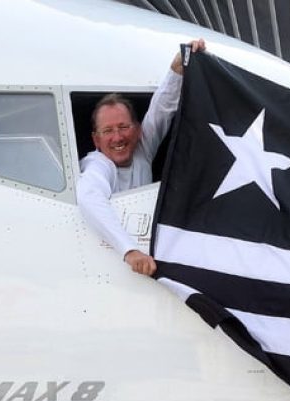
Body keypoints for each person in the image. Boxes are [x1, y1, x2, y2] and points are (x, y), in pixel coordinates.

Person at [77, 39, 206, 276]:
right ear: (96, 140)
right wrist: (130, 251)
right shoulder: (98, 165)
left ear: (137, 130)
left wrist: (178, 67)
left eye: (123, 127)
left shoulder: (141, 152)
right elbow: (89, 197)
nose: (117, 137)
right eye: (107, 131)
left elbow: (161, 110)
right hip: (118, 266)